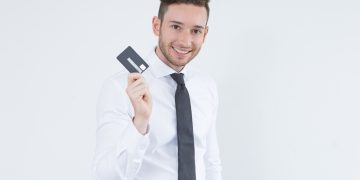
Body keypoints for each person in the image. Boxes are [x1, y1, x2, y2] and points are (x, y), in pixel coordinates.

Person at [93, 0, 222, 179]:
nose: (185, 41)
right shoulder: (119, 88)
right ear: (156, 25)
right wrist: (139, 123)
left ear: (205, 34)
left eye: (196, 31)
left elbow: (210, 161)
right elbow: (106, 175)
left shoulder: (206, 85)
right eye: (176, 27)